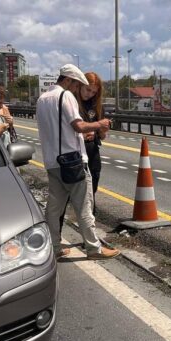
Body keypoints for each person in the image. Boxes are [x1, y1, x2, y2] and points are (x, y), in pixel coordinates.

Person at [37, 64, 119, 260]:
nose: (76, 90)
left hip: (52, 161)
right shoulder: (66, 97)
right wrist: (100, 124)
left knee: (54, 208)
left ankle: (54, 247)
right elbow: (79, 125)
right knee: (84, 207)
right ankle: (94, 249)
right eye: (76, 85)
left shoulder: (41, 99)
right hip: (73, 160)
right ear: (68, 81)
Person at [77, 72, 107, 208]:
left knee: (93, 186)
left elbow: (102, 135)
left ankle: (90, 215)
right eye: (88, 89)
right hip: (75, 151)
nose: (90, 94)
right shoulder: (72, 102)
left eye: (94, 92)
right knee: (77, 189)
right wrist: (81, 134)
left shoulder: (96, 105)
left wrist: (100, 131)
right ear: (80, 85)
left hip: (92, 150)